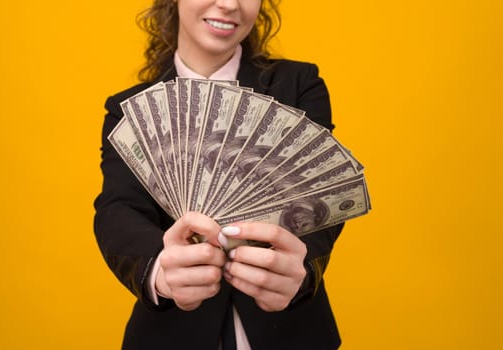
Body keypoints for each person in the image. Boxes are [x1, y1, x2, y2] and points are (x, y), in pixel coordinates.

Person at [94, 0, 344, 348]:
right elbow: (119, 209)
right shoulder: (129, 110)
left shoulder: (298, 84)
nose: (228, 4)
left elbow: (322, 193)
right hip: (170, 334)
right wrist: (160, 272)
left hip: (291, 331)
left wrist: (301, 273)